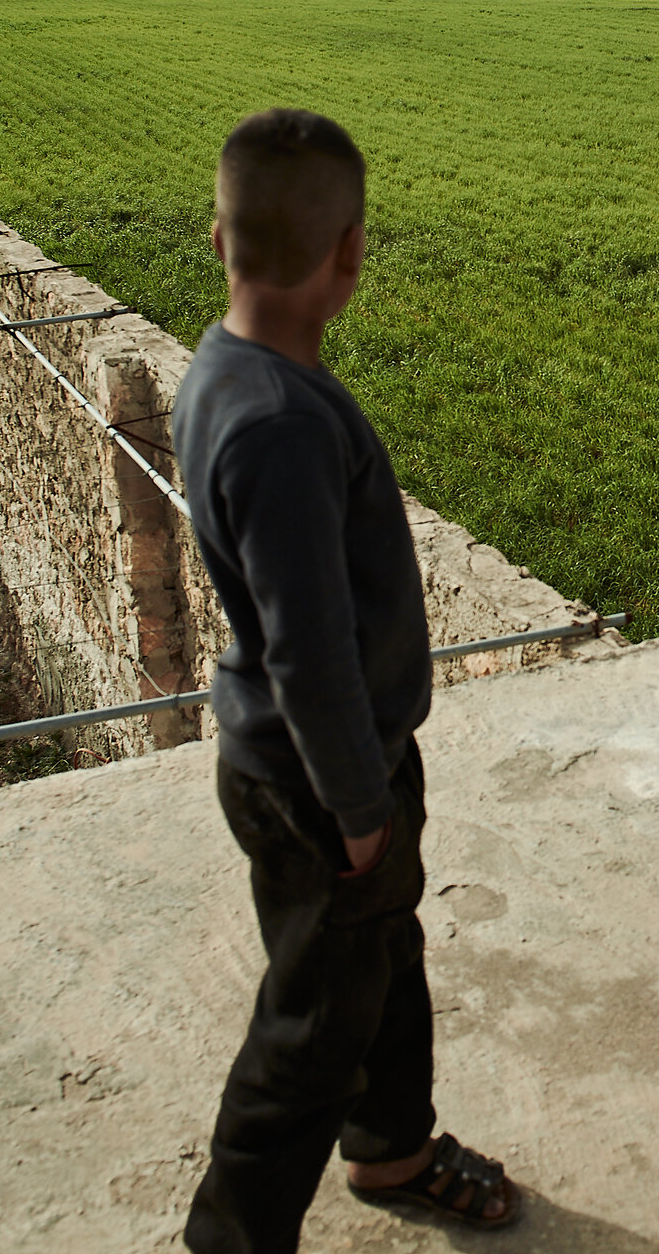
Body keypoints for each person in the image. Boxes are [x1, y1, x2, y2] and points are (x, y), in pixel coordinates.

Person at [176, 108, 519, 1253]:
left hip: (303, 758)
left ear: (217, 240)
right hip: (323, 774)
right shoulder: (279, 423)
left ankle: (392, 1147)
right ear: (351, 254)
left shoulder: (222, 373)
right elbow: (308, 648)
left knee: (376, 960)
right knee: (312, 1024)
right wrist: (362, 808)